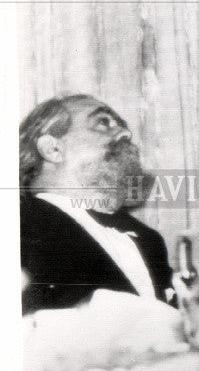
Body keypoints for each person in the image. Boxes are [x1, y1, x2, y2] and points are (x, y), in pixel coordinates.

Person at [19, 94, 175, 314]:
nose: (126, 133)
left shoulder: (149, 240)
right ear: (53, 149)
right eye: (103, 122)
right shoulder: (18, 226)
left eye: (122, 126)